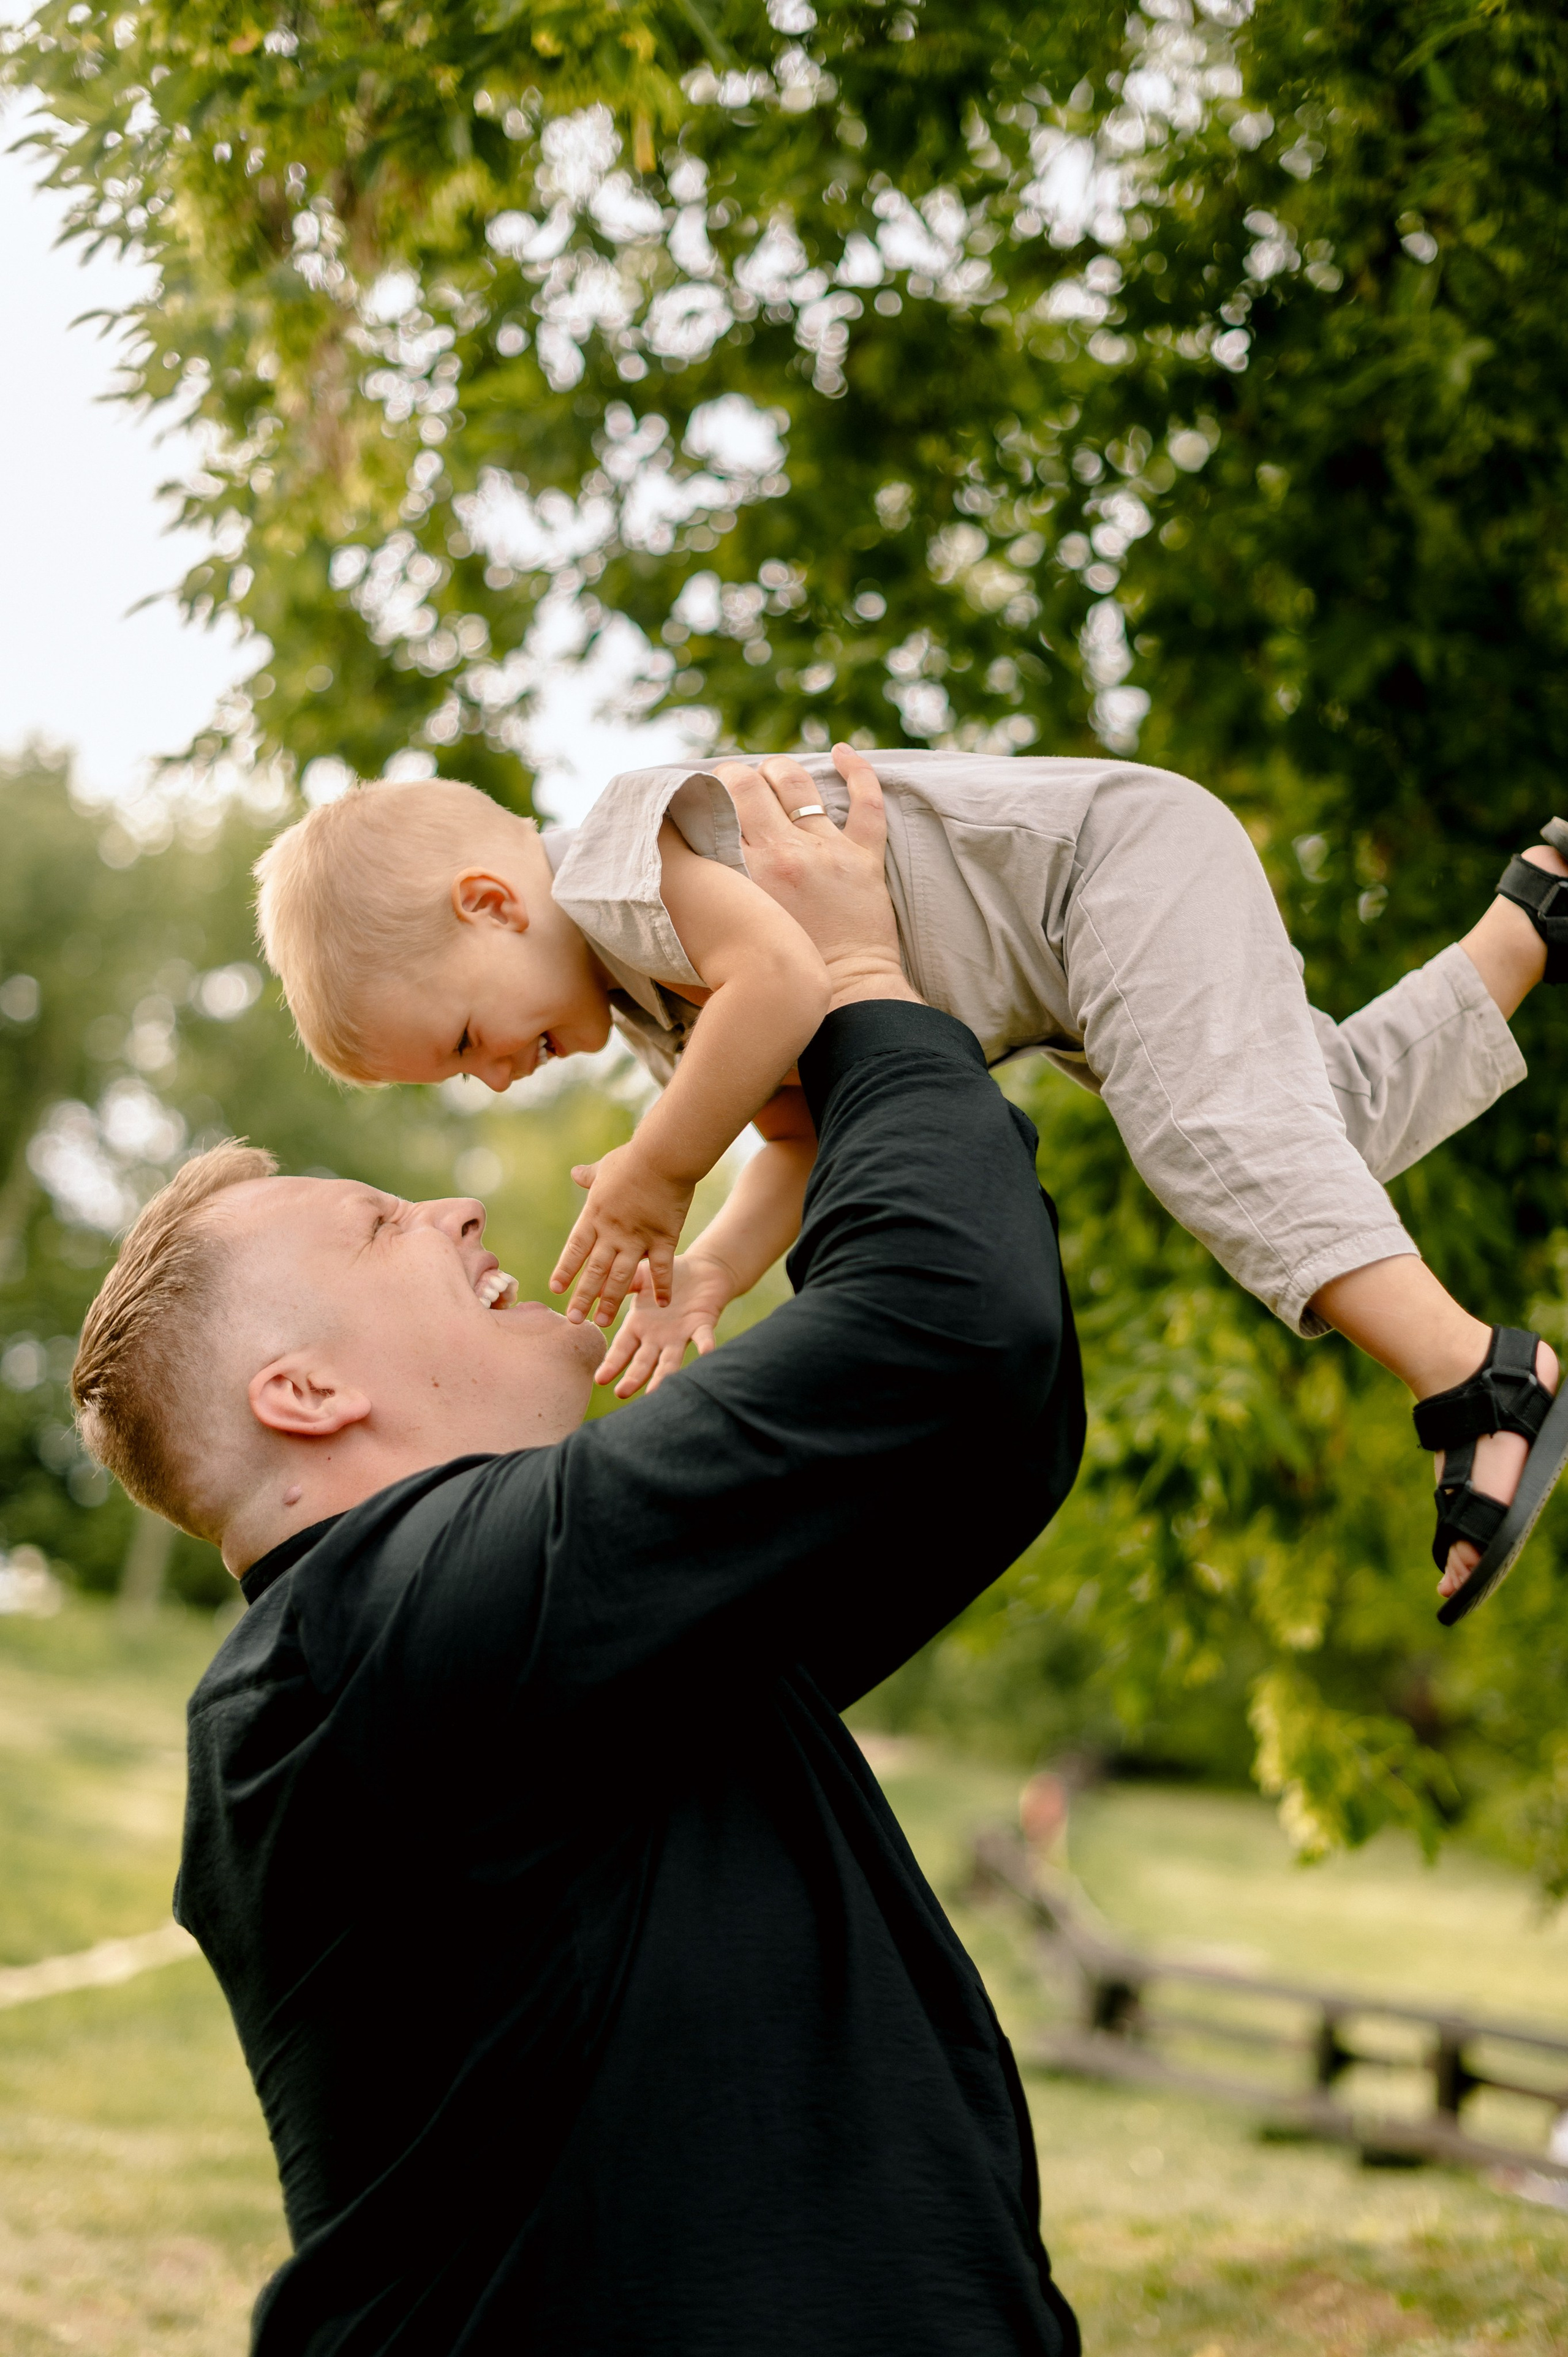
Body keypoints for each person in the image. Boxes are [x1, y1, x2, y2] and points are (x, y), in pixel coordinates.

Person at [71, 760, 1087, 2356]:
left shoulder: (550, 1648)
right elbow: (949, 1327)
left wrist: (829, 1085)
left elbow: (986, 1426)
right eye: (378, 1227)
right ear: (308, 1395)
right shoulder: (365, 1651)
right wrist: (862, 989)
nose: (460, 1210)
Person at [254, 744, 1568, 1621]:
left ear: (488, 902)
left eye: (465, 1040)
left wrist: (658, 1168)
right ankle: (1527, 922)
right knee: (1301, 1134)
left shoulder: (613, 862)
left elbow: (782, 981)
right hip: (1079, 950)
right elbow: (794, 1131)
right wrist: (710, 1261)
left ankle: (1478, 1375)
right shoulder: (656, 1007)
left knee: (1221, 1143)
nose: (491, 1078)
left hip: (1102, 871)